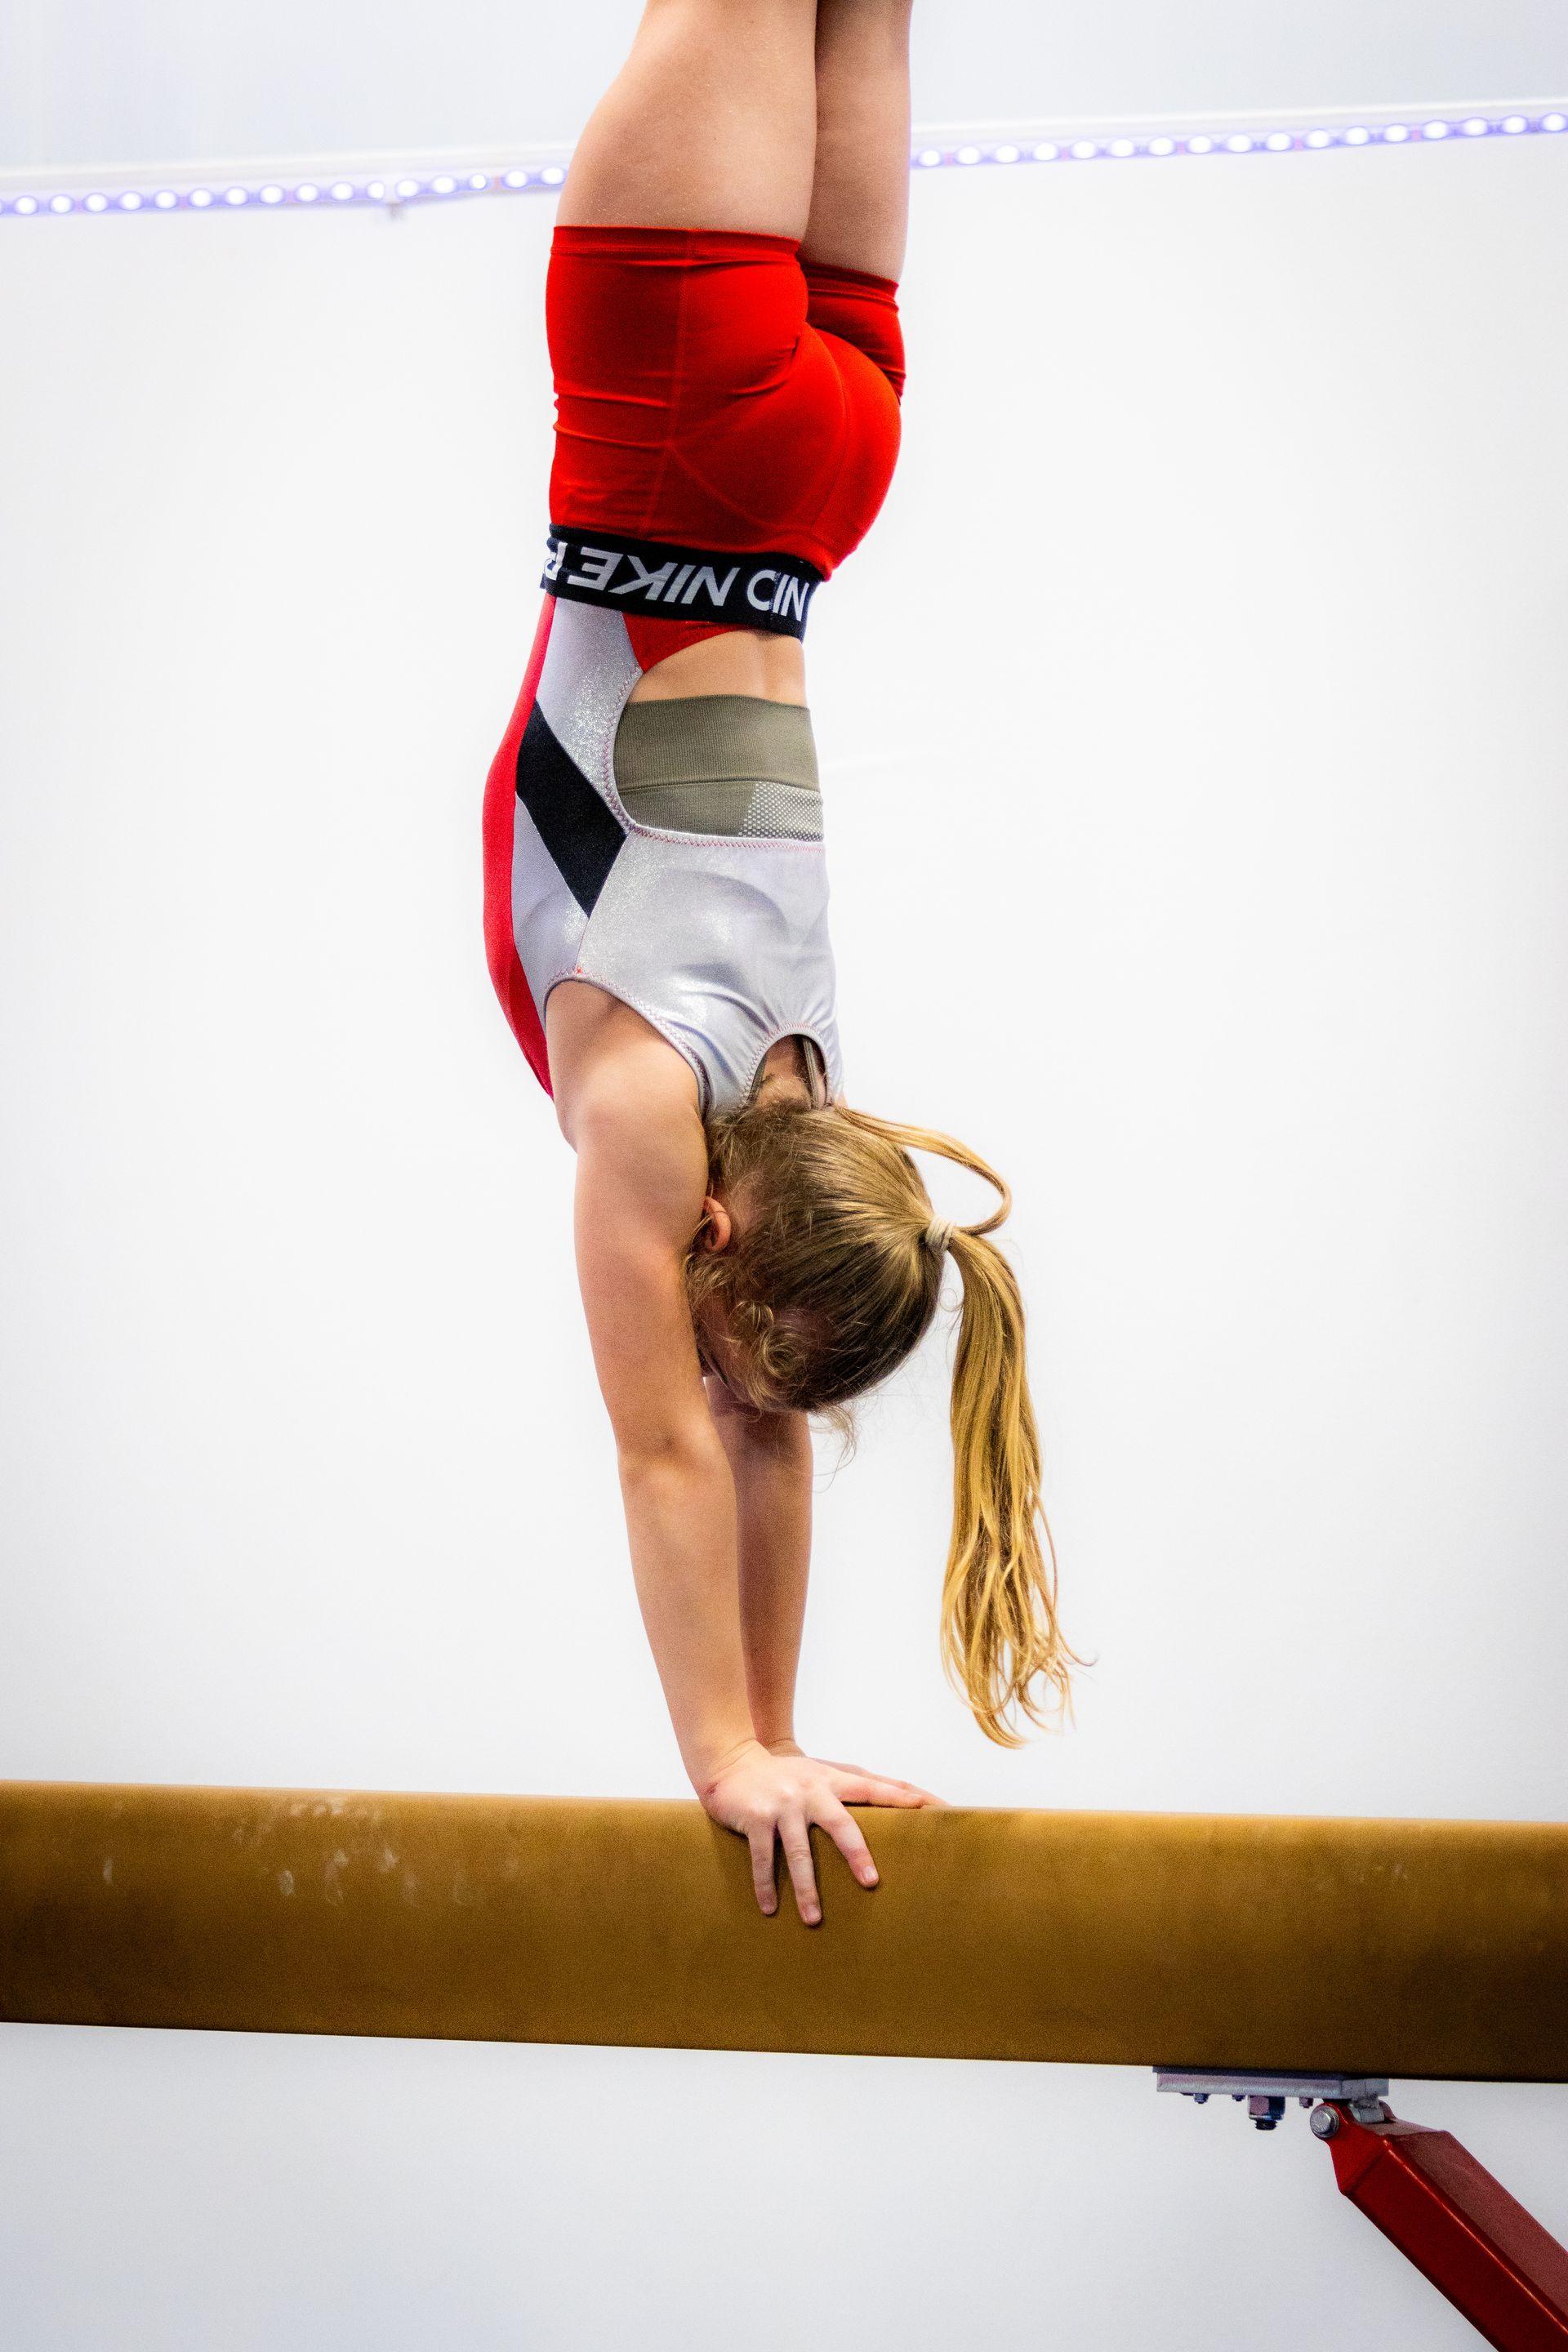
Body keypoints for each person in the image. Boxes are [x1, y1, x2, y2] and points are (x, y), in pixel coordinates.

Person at [483, 0, 1076, 1927]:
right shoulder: (651, 1111)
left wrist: (782, 1725)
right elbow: (673, 1444)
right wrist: (720, 1753)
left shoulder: (812, 1101)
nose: (731, 1384)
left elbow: (758, 1432)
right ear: (722, 1238)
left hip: (830, 458)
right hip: (680, 433)